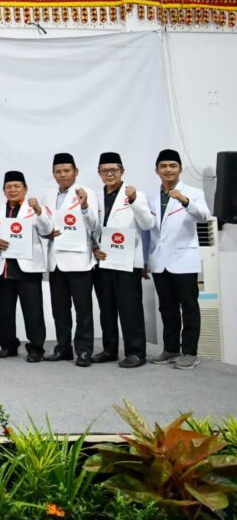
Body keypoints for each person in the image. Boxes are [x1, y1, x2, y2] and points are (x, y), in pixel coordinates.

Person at [146, 149, 211, 370]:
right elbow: (149, 230)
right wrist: (145, 260)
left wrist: (184, 200)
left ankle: (190, 352)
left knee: (189, 307)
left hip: (184, 259)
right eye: (163, 166)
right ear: (157, 170)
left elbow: (204, 216)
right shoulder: (151, 197)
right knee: (167, 308)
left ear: (180, 169)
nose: (168, 170)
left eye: (173, 166)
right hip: (159, 260)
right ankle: (171, 349)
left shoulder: (193, 192)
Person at [92, 152, 154, 368]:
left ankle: (136, 352)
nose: (109, 174)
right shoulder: (95, 197)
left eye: (113, 170)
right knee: (106, 308)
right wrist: (95, 247)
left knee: (130, 308)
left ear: (122, 171)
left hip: (127, 261)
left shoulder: (136, 195)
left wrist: (134, 200)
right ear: (99, 173)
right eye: (104, 171)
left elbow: (147, 224)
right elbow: (92, 227)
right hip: (103, 261)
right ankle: (109, 349)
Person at [41, 153, 100, 367]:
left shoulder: (87, 193)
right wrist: (45, 231)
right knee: (60, 309)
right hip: (56, 260)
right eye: (58, 171)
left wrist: (84, 207)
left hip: (78, 260)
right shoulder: (48, 195)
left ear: (76, 172)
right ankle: (63, 348)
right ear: (53, 174)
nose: (62, 175)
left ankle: (83, 351)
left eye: (67, 171)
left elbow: (94, 226)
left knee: (83, 310)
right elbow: (44, 226)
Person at [0, 170, 52, 362]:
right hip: (4, 268)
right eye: (8, 187)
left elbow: (47, 230)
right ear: (3, 190)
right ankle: (8, 346)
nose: (13, 190)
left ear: (25, 189)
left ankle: (36, 348)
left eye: (17, 186)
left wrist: (39, 211)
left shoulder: (35, 209)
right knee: (5, 311)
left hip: (28, 269)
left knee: (33, 311)